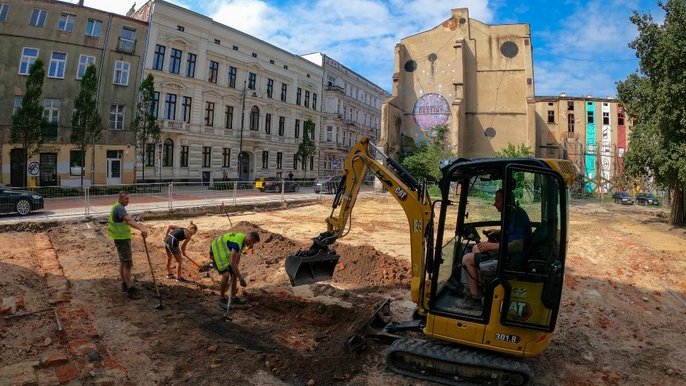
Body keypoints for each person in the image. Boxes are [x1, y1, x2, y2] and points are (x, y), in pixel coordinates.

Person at [460, 189, 531, 310]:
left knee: (466, 260)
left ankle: (475, 300)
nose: (494, 204)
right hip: (509, 253)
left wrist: (492, 246)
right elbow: (512, 234)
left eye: (497, 201)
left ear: (507, 201)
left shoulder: (516, 214)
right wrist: (498, 232)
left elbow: (519, 245)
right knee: (476, 249)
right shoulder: (512, 212)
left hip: (513, 260)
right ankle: (479, 289)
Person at [108, 191, 148, 299]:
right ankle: (130, 288)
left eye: (128, 198)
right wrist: (141, 228)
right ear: (120, 199)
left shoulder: (117, 206)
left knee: (123, 262)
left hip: (119, 239)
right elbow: (129, 221)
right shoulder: (120, 208)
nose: (128, 200)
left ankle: (124, 283)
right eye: (126, 199)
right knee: (127, 264)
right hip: (122, 240)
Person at [203, 231, 260, 308]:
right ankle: (222, 298)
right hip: (217, 250)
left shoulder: (243, 241)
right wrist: (241, 278)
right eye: (253, 243)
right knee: (226, 275)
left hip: (224, 250)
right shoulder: (238, 243)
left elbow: (237, 259)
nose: (252, 246)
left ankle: (233, 297)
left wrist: (236, 272)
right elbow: (232, 263)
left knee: (234, 273)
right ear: (250, 239)